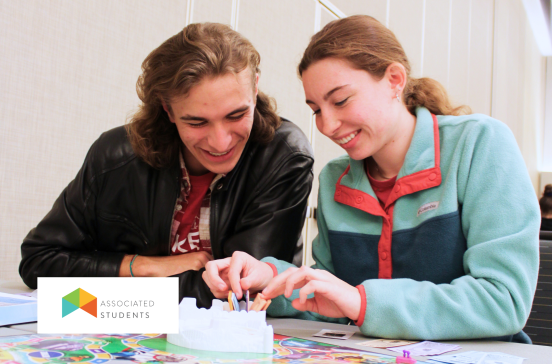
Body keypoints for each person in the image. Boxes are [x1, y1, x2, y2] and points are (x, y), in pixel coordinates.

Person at [203, 15, 540, 342]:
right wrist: (266, 277)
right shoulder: (336, 177)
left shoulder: (480, 144)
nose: (327, 125)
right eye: (317, 109)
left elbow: (504, 299)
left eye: (340, 100)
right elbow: (331, 298)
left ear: (395, 80)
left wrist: (365, 303)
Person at [19, 23, 314, 308]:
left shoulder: (284, 156)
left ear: (255, 89)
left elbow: (238, 292)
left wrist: (104, 292)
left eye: (236, 115)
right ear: (168, 109)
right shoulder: (114, 155)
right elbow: (38, 263)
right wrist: (147, 267)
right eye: (196, 122)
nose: (221, 142)